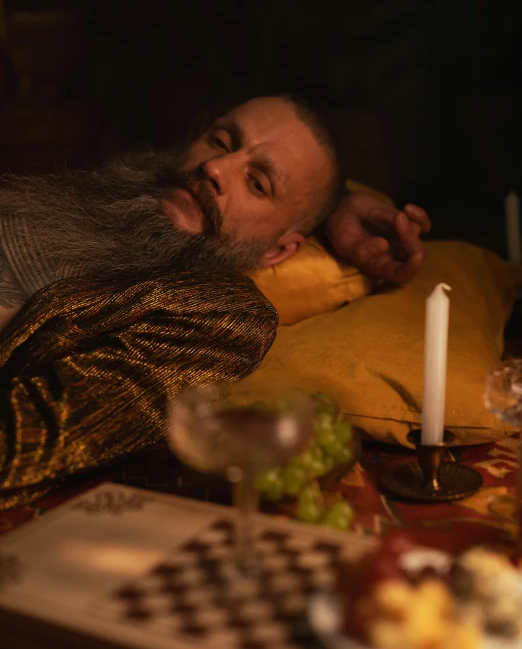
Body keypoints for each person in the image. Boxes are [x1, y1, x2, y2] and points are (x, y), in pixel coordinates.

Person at [0, 95, 430, 508]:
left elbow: (24, 443)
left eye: (257, 183)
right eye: (221, 141)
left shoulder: (221, 312)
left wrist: (335, 208)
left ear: (278, 252)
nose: (215, 167)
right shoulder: (118, 187)